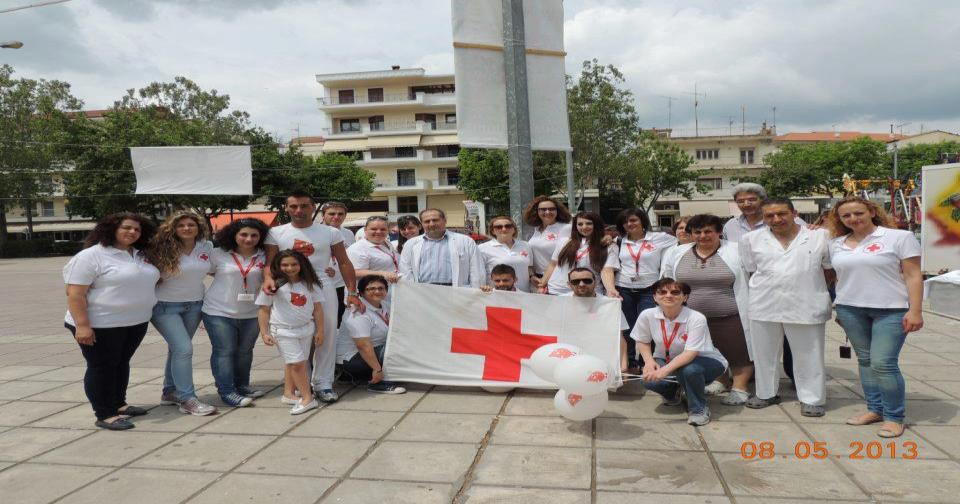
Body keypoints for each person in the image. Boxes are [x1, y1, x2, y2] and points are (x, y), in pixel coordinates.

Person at [827, 196, 923, 438]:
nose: (853, 219)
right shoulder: (836, 243)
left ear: (871, 211)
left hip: (891, 310)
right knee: (866, 361)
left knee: (883, 363)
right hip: (850, 309)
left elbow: (913, 275)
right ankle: (875, 409)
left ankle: (894, 416)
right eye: (846, 216)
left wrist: (915, 310)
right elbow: (837, 277)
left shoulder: (899, 237)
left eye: (858, 213)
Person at [63, 212, 160, 430]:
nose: (132, 232)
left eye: (137, 229)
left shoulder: (140, 254)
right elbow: (74, 293)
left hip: (134, 322)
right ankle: (104, 413)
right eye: (126, 227)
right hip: (99, 324)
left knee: (121, 363)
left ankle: (119, 403)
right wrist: (83, 325)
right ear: (111, 229)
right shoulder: (91, 256)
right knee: (102, 367)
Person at [263, 191, 362, 404]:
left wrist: (352, 292)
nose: (299, 211)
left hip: (322, 287)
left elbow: (344, 263)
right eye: (294, 206)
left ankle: (324, 383)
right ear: (287, 208)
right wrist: (267, 280)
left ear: (313, 207)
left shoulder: (331, 233)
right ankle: (301, 384)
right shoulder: (276, 233)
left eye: (304, 206)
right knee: (297, 337)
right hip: (288, 288)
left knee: (325, 336)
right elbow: (270, 263)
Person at [740, 199, 833, 417]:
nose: (776, 219)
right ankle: (766, 393)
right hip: (764, 303)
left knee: (809, 353)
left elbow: (829, 269)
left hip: (806, 303)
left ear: (794, 213)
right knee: (764, 353)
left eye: (782, 214)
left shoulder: (819, 236)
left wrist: (809, 285)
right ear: (763, 218)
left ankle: (812, 398)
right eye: (770, 216)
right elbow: (751, 269)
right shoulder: (750, 239)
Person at [661, 214, 752, 405]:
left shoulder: (736, 250)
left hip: (730, 315)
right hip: (691, 317)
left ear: (719, 232)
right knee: (704, 352)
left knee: (737, 352)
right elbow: (667, 279)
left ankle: (740, 388)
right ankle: (720, 381)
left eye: (708, 231)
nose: (703, 235)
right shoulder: (677, 252)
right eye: (697, 232)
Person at [723, 183, 804, 384]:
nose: (746, 204)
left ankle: (797, 376)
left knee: (792, 337)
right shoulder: (730, 226)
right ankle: (757, 375)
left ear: (762, 200)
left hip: (786, 287)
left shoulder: (786, 220)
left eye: (751, 199)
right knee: (758, 336)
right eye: (741, 201)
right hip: (746, 287)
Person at [147, 212, 217, 416]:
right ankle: (187, 399)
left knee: (177, 350)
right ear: (173, 229)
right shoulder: (160, 248)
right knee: (184, 349)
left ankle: (169, 392)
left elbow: (214, 269)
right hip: (164, 306)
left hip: (195, 306)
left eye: (191, 225)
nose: (187, 228)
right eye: (182, 225)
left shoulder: (207, 246)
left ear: (199, 227)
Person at [633, 278, 729, 426]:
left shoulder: (696, 318)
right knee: (647, 380)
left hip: (705, 361)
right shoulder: (647, 315)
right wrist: (649, 362)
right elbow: (643, 340)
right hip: (667, 359)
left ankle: (699, 409)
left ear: (685, 297)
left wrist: (664, 371)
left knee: (689, 370)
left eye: (675, 292)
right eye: (662, 292)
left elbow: (690, 354)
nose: (668, 295)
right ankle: (673, 392)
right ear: (655, 297)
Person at [202, 218, 270, 408]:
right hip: (218, 311)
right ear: (234, 235)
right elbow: (207, 272)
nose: (249, 239)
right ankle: (227, 391)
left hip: (252, 313)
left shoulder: (265, 256)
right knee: (225, 351)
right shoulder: (218, 254)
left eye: (254, 235)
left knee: (244, 352)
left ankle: (241, 385)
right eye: (244, 235)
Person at [256, 250, 324, 414]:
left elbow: (318, 310)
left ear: (302, 265)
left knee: (293, 363)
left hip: (306, 330)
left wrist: (320, 330)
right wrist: (264, 333)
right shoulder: (273, 286)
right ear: (278, 266)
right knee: (297, 364)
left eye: (294, 264)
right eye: (284, 265)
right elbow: (264, 310)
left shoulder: (311, 284)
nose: (290, 268)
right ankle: (308, 398)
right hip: (283, 331)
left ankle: (289, 393)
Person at [614, 208, 678, 370]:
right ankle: (629, 360)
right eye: (626, 221)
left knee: (648, 324)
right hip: (624, 288)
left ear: (643, 221)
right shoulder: (619, 241)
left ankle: (647, 360)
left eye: (634, 220)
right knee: (627, 326)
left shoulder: (659, 238)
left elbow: (681, 240)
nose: (630, 224)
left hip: (649, 289)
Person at [336, 276, 407, 394]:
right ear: (362, 293)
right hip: (353, 358)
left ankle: (385, 374)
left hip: (374, 350)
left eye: (381, 288)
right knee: (395, 348)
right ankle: (379, 383)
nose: (377, 291)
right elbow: (362, 345)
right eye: (371, 289)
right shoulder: (358, 312)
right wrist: (377, 369)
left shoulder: (386, 305)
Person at [398, 208, 485, 288]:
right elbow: (406, 272)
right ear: (422, 224)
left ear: (445, 221)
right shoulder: (411, 244)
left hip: (456, 292)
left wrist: (475, 295)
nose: (431, 224)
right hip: (423, 293)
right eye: (427, 221)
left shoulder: (466, 241)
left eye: (435, 220)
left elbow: (476, 271)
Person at [564, 268, 631, 369]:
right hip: (569, 357)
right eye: (575, 281)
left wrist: (623, 366)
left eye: (587, 281)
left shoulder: (611, 305)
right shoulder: (559, 302)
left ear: (596, 283)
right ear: (569, 284)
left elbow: (619, 338)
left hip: (601, 357)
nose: (581, 284)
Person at [540, 212, 619, 297]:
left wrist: (611, 290)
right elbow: (553, 264)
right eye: (580, 224)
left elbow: (607, 270)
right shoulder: (564, 242)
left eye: (589, 223)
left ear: (597, 224)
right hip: (557, 291)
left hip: (587, 292)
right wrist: (542, 285)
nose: (584, 227)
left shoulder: (608, 246)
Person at [320, 201, 357, 327]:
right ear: (323, 215)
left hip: (342, 284)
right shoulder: (314, 232)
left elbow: (349, 258)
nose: (336, 217)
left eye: (340, 214)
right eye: (332, 213)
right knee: (323, 322)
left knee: (339, 322)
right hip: (321, 284)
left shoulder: (348, 233)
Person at [523, 196, 573, 284]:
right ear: (536, 212)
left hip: (558, 278)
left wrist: (605, 238)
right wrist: (532, 276)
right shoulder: (536, 229)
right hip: (537, 278)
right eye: (543, 209)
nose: (547, 212)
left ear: (558, 211)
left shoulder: (567, 228)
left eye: (552, 209)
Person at [478, 215, 534, 292]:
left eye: (508, 226)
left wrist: (532, 277)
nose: (504, 229)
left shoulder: (525, 245)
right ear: (493, 231)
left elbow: (529, 268)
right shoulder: (482, 248)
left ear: (514, 229)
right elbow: (479, 273)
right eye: (498, 227)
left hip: (523, 294)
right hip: (496, 294)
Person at [347, 216, 400, 291]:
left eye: (383, 229)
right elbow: (353, 273)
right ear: (365, 230)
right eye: (374, 229)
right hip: (370, 295)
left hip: (390, 292)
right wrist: (382, 274)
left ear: (388, 230)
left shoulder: (387, 243)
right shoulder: (357, 249)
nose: (378, 232)